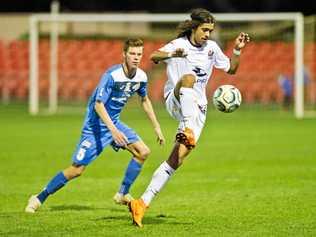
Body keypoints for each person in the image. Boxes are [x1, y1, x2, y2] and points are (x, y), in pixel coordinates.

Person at [128, 8, 250, 227]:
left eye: (210, 30)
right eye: (204, 30)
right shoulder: (179, 44)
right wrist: (173, 54)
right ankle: (187, 129)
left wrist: (238, 51)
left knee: (177, 159)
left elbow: (231, 69)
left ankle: (142, 203)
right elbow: (153, 56)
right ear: (194, 28)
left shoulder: (211, 48)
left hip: (198, 108)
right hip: (175, 99)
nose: (208, 34)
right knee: (188, 78)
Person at [25, 38, 165, 213]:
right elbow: (98, 105)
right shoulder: (112, 75)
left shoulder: (141, 77)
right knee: (77, 170)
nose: (136, 58)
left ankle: (122, 193)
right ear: (124, 54)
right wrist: (114, 131)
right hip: (96, 127)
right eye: (132, 54)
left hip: (114, 124)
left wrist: (157, 127)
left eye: (139, 54)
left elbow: (145, 100)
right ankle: (39, 197)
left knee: (143, 152)